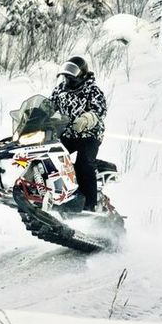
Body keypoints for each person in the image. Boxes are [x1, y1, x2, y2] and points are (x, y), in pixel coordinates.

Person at [50, 56, 107, 211]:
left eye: (72, 73)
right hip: (67, 133)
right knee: (50, 156)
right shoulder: (60, 90)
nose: (68, 78)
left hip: (89, 135)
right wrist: (37, 115)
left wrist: (87, 118)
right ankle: (48, 192)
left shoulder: (92, 89)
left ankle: (90, 205)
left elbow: (99, 109)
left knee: (84, 164)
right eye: (66, 74)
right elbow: (49, 106)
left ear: (82, 73)